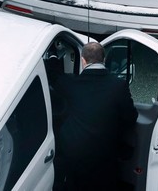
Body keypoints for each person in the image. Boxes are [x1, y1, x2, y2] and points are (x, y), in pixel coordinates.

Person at [52, 42, 138, 191]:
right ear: (104, 60)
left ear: (83, 61)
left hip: (75, 153)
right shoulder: (119, 85)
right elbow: (131, 117)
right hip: (105, 154)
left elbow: (53, 75)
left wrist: (53, 54)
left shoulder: (71, 84)